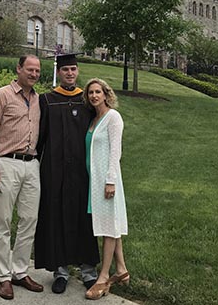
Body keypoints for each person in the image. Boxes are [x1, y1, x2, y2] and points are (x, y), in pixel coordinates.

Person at [34, 53, 100, 293]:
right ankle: (60, 271)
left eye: (73, 69)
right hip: (55, 171)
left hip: (82, 172)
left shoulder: (87, 101)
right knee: (57, 217)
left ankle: (88, 272)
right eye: (65, 70)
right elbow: (40, 137)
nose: (70, 73)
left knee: (85, 219)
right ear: (59, 72)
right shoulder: (48, 100)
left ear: (77, 70)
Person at [0, 55, 44, 300]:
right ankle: (3, 276)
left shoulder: (39, 99)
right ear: (18, 69)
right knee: (3, 221)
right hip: (7, 163)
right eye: (30, 69)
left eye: (38, 70)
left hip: (32, 165)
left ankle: (20, 272)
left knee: (29, 220)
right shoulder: (1, 95)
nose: (34, 74)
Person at [83, 78, 129, 300]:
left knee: (107, 229)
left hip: (106, 181)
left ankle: (103, 277)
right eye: (90, 92)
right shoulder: (94, 119)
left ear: (105, 94)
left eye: (97, 92)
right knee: (110, 225)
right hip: (93, 180)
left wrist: (110, 180)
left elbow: (115, 152)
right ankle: (121, 269)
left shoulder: (113, 117)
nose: (94, 96)